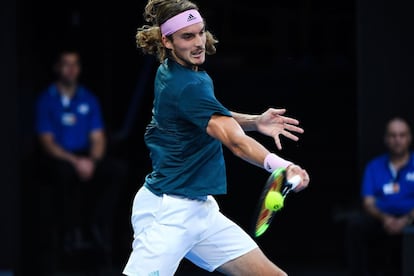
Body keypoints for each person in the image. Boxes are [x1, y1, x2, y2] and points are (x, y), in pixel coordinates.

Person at [122, 1, 310, 275]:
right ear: (168, 41)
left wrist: (255, 122)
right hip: (169, 213)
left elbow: (210, 116)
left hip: (201, 211)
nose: (199, 42)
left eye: (201, 32)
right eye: (188, 36)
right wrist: (281, 165)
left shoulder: (171, 71)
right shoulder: (188, 86)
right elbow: (234, 141)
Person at [35, 50, 125, 260]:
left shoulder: (88, 98)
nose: (71, 69)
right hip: (61, 157)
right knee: (63, 174)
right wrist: (75, 162)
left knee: (117, 170)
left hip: (86, 156)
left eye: (75, 64)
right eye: (66, 64)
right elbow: (46, 142)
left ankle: (98, 226)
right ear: (57, 68)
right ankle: (69, 233)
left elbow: (98, 137)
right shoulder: (47, 99)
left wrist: (92, 161)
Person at [346, 117, 414, 275]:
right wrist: (386, 219)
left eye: (402, 135)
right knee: (355, 226)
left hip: (411, 219)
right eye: (393, 135)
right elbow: (368, 202)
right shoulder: (374, 166)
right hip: (382, 220)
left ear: (409, 138)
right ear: (386, 139)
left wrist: (407, 219)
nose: (397, 140)